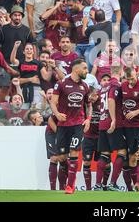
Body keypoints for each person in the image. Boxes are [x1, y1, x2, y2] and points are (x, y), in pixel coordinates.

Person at [50, 59, 91, 195]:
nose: (87, 71)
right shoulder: (61, 84)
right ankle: (68, 179)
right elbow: (53, 102)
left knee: (74, 152)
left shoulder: (85, 86)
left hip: (77, 125)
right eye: (84, 68)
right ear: (76, 69)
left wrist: (88, 119)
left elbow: (89, 104)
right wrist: (57, 114)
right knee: (62, 157)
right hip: (63, 125)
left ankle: (70, 186)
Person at [0, 5, 35, 101]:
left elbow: (33, 46)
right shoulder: (3, 29)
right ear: (11, 16)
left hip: (22, 64)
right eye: (15, 15)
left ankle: (21, 110)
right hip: (5, 63)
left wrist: (33, 61)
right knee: (4, 88)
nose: (17, 17)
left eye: (19, 15)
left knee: (20, 89)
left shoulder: (27, 30)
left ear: (22, 17)